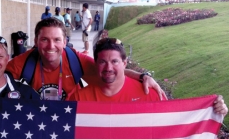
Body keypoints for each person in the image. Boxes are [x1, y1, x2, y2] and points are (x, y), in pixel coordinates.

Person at [0, 18, 166, 101]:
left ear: (65, 42)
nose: (51, 46)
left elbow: (109, 70)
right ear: (35, 42)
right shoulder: (22, 63)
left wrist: (143, 76)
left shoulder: (77, 61)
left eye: (57, 40)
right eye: (44, 40)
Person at [68, 37, 228, 117]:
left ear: (125, 63)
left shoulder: (149, 94)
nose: (108, 68)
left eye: (114, 61)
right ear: (95, 64)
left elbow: (175, 123)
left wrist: (212, 110)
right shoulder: (78, 98)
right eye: (103, 62)